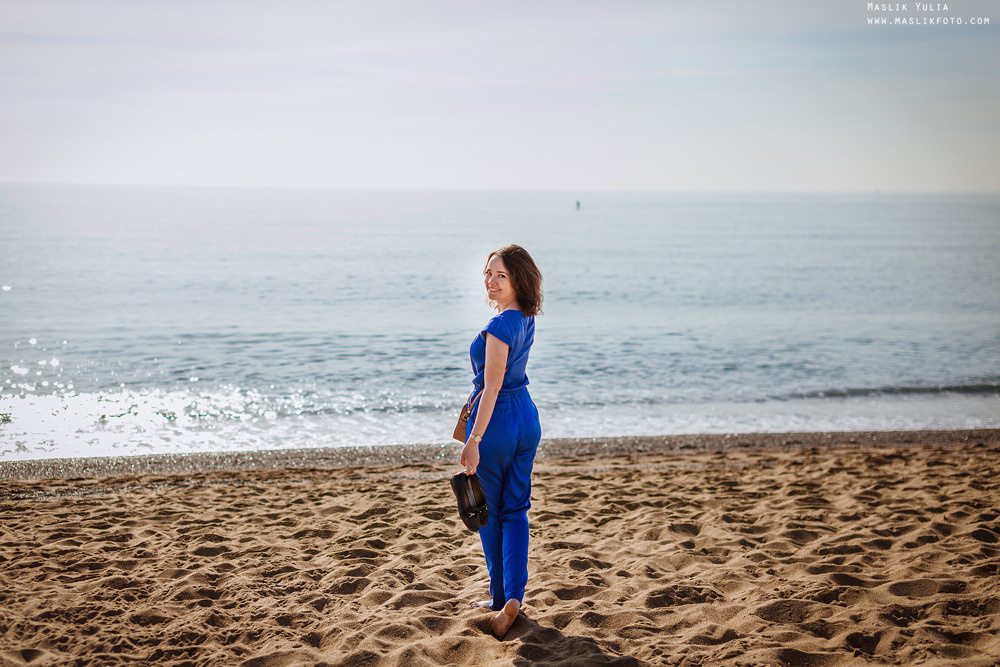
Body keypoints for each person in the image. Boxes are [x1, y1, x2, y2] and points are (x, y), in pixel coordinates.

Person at [461, 244, 543, 640]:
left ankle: (499, 598)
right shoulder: (525, 316)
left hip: (497, 422)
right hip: (526, 416)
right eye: (488, 274)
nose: (491, 282)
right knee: (516, 509)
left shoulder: (499, 327)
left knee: (489, 512)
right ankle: (513, 597)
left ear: (518, 280)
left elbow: (491, 389)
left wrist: (474, 439)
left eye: (501, 276)